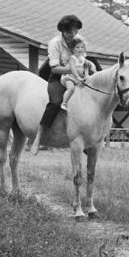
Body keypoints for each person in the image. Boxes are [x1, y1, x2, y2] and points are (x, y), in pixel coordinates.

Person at [28, 14, 83, 155]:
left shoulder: (78, 40)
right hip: (57, 77)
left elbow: (82, 57)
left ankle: (88, 137)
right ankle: (38, 138)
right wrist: (72, 69)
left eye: (75, 31)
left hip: (76, 76)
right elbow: (54, 68)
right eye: (70, 31)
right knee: (56, 101)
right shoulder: (55, 43)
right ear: (63, 31)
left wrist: (87, 67)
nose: (73, 34)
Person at [60, 36, 95, 111]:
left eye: (82, 47)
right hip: (69, 78)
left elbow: (88, 64)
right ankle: (64, 103)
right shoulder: (72, 58)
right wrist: (77, 77)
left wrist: (92, 66)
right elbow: (73, 69)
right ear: (72, 49)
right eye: (77, 47)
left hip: (78, 79)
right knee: (71, 88)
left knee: (84, 90)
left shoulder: (82, 58)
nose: (80, 49)